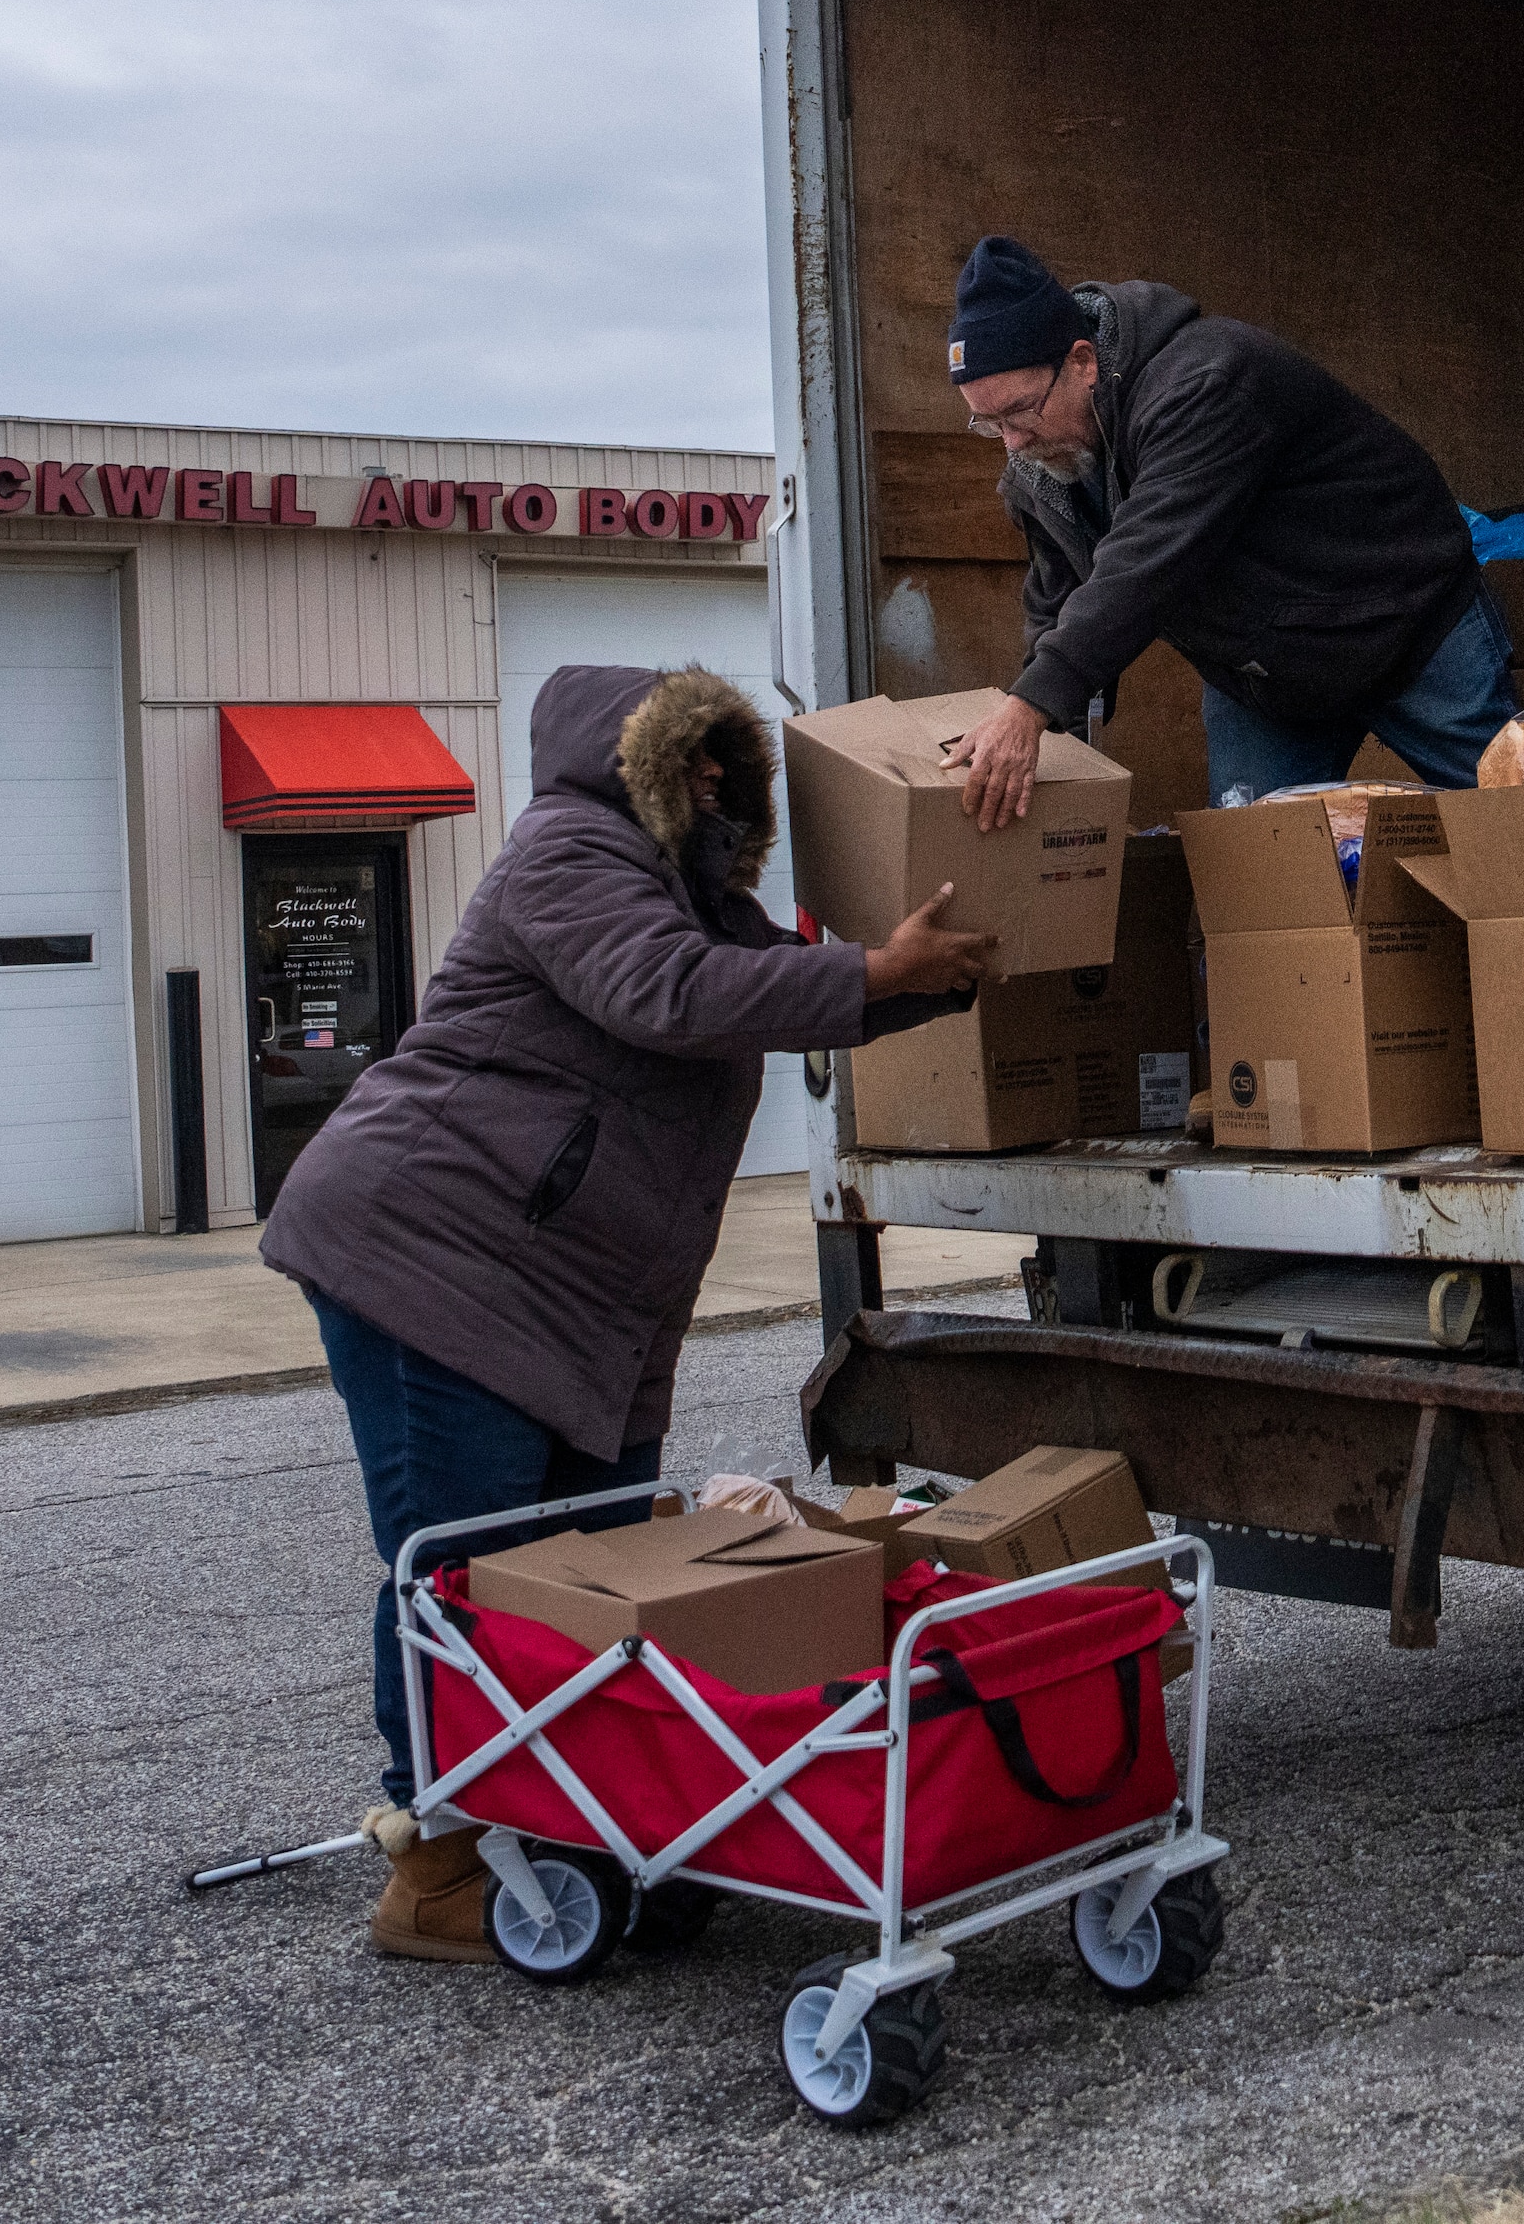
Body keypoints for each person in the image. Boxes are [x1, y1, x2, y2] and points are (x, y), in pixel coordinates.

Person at [261, 660, 998, 1960]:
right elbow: (676, 993)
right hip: (432, 1262)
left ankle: (569, 1830)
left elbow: (789, 981)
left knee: (595, 1574)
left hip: (571, 1297)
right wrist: (878, 970)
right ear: (635, 761)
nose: (714, 775)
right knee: (468, 1575)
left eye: (727, 756)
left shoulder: (692, 895)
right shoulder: (569, 852)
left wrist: (950, 971)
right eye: (692, 754)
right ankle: (437, 1865)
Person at [937, 233, 1514, 823]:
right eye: (988, 423)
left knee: (1523, 828)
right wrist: (1048, 731)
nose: (1012, 443)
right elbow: (1058, 603)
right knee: (1255, 862)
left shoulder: (1204, 383)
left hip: (1406, 625)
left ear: (1083, 363)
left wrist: (1031, 706)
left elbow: (1147, 563)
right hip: (1264, 679)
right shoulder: (1042, 471)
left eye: (1020, 411)